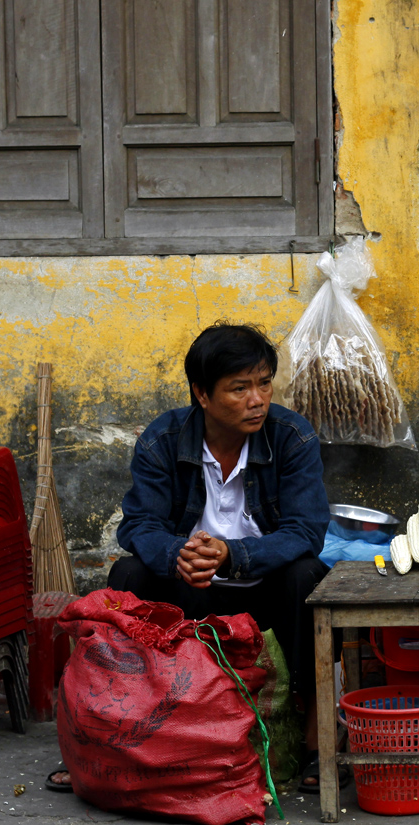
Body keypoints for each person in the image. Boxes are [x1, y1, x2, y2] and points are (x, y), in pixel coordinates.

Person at [48, 322, 340, 794]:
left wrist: (234, 554)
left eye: (264, 383)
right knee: (128, 574)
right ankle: (111, 739)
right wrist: (178, 554)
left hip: (262, 590)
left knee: (308, 575)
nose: (257, 399)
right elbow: (137, 525)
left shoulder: (291, 437)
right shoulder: (163, 439)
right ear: (202, 395)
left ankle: (315, 740)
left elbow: (307, 530)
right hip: (191, 588)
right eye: (239, 388)